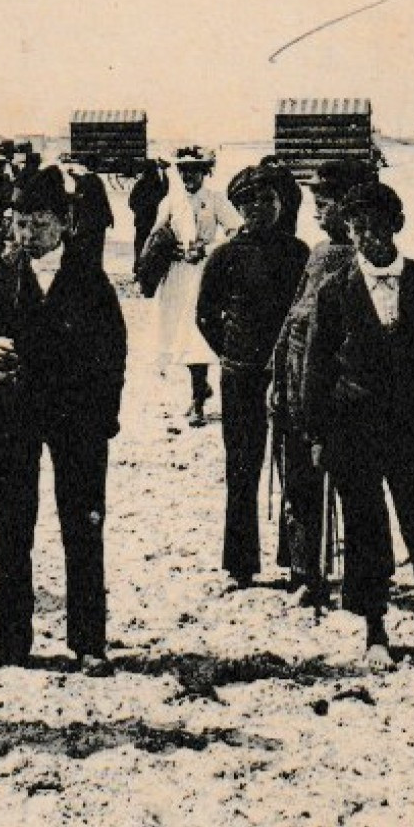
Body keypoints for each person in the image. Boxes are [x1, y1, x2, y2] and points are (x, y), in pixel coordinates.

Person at [0, 167, 126, 678]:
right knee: (14, 527)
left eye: (38, 224)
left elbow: (114, 354)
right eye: (19, 224)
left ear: (65, 223)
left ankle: (89, 642)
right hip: (13, 416)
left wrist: (102, 420)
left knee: (82, 527)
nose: (27, 235)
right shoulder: (2, 271)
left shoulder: (89, 276)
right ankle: (9, 641)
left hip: (76, 421)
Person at [302, 182, 414, 668]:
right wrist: (318, 433)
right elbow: (318, 366)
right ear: (348, 231)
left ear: (397, 225)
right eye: (358, 228)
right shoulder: (335, 290)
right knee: (365, 528)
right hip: (354, 429)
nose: (368, 237)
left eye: (378, 226)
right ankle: (375, 628)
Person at [268, 159, 377, 607]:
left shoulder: (361, 262)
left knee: (352, 486)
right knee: (299, 482)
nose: (317, 211)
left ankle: (361, 579)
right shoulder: (316, 254)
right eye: (315, 202)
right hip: (297, 385)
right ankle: (305, 572)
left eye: (326, 203)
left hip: (336, 392)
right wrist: (277, 376)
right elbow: (294, 315)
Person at [195, 166, 309, 590]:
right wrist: (231, 354)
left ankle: (299, 563)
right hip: (241, 377)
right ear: (239, 208)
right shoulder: (225, 255)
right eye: (250, 203)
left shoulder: (299, 253)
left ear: (282, 204)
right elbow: (205, 315)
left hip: (290, 377)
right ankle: (241, 565)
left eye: (269, 200)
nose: (260, 209)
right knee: (242, 467)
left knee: (295, 466)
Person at [148, 147, 242, 425]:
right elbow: (155, 235)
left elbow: (236, 231)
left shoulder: (214, 200)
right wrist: (169, 251)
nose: (188, 175)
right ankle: (200, 388)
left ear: (204, 172)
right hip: (177, 276)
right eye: (183, 170)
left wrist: (209, 248)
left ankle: (198, 398)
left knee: (197, 334)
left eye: (194, 170)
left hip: (204, 274)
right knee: (179, 334)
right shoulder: (170, 201)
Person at [128, 159, 169, 271]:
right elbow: (165, 192)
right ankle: (148, 268)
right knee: (151, 246)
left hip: (141, 222)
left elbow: (131, 202)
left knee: (140, 245)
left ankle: (138, 267)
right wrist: (164, 172)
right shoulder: (157, 184)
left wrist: (139, 211)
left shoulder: (140, 184)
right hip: (153, 221)